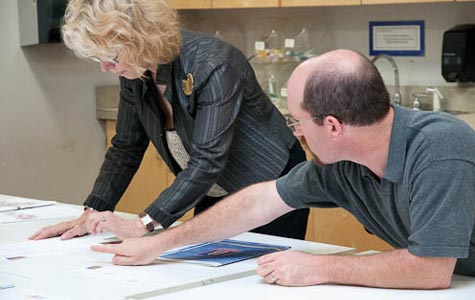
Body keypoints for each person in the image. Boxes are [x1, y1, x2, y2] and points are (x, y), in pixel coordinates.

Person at [92, 49, 475, 289]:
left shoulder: (439, 147)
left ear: (332, 126)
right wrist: (159, 242)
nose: (295, 132)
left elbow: (429, 270)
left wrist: (321, 268)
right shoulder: (340, 164)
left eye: (296, 121)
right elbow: (261, 201)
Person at [29, 0, 309, 241]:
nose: (106, 68)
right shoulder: (134, 71)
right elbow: (126, 146)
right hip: (212, 188)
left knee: (260, 275)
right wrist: (93, 211)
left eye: (112, 57)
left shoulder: (213, 63)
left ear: (142, 37)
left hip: (268, 182)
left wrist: (145, 223)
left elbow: (208, 159)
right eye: (98, 58)